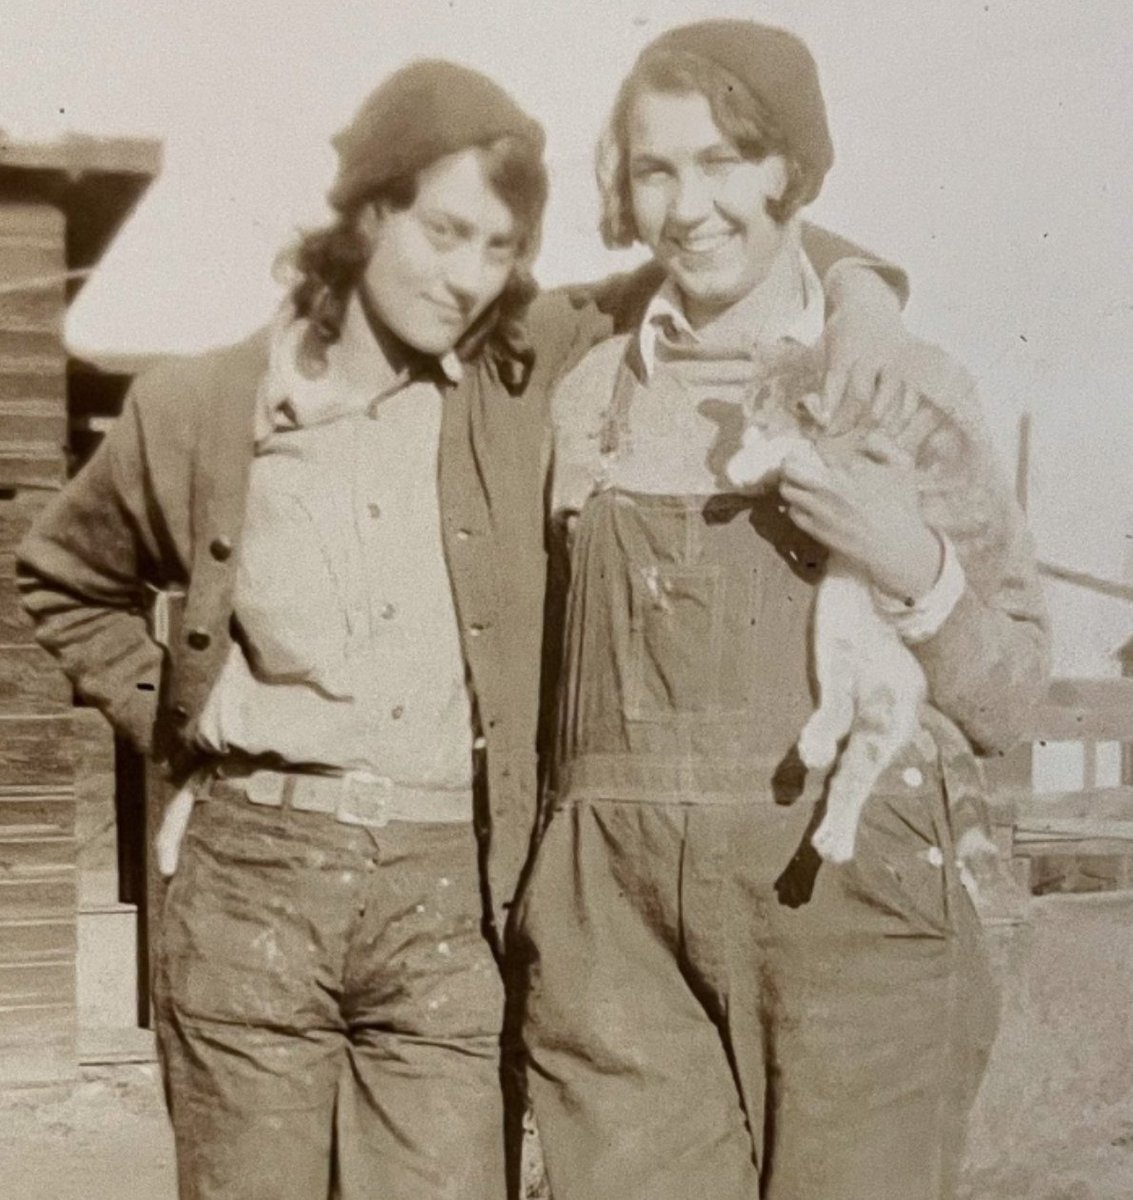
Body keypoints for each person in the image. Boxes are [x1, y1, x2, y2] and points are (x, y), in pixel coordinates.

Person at [20, 57, 928, 1200]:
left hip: (446, 890)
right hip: (251, 876)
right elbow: (64, 580)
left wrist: (866, 302)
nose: (468, 278)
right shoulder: (200, 407)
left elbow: (726, 249)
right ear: (368, 211)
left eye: (499, 249)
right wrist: (187, 723)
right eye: (445, 233)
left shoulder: (518, 366)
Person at [515, 20, 1050, 1200]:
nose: (687, 205)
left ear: (790, 171)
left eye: (724, 161)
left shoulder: (905, 384)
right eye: (655, 168)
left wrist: (911, 565)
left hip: (849, 918)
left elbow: (1012, 696)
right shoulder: (586, 390)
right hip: (619, 929)